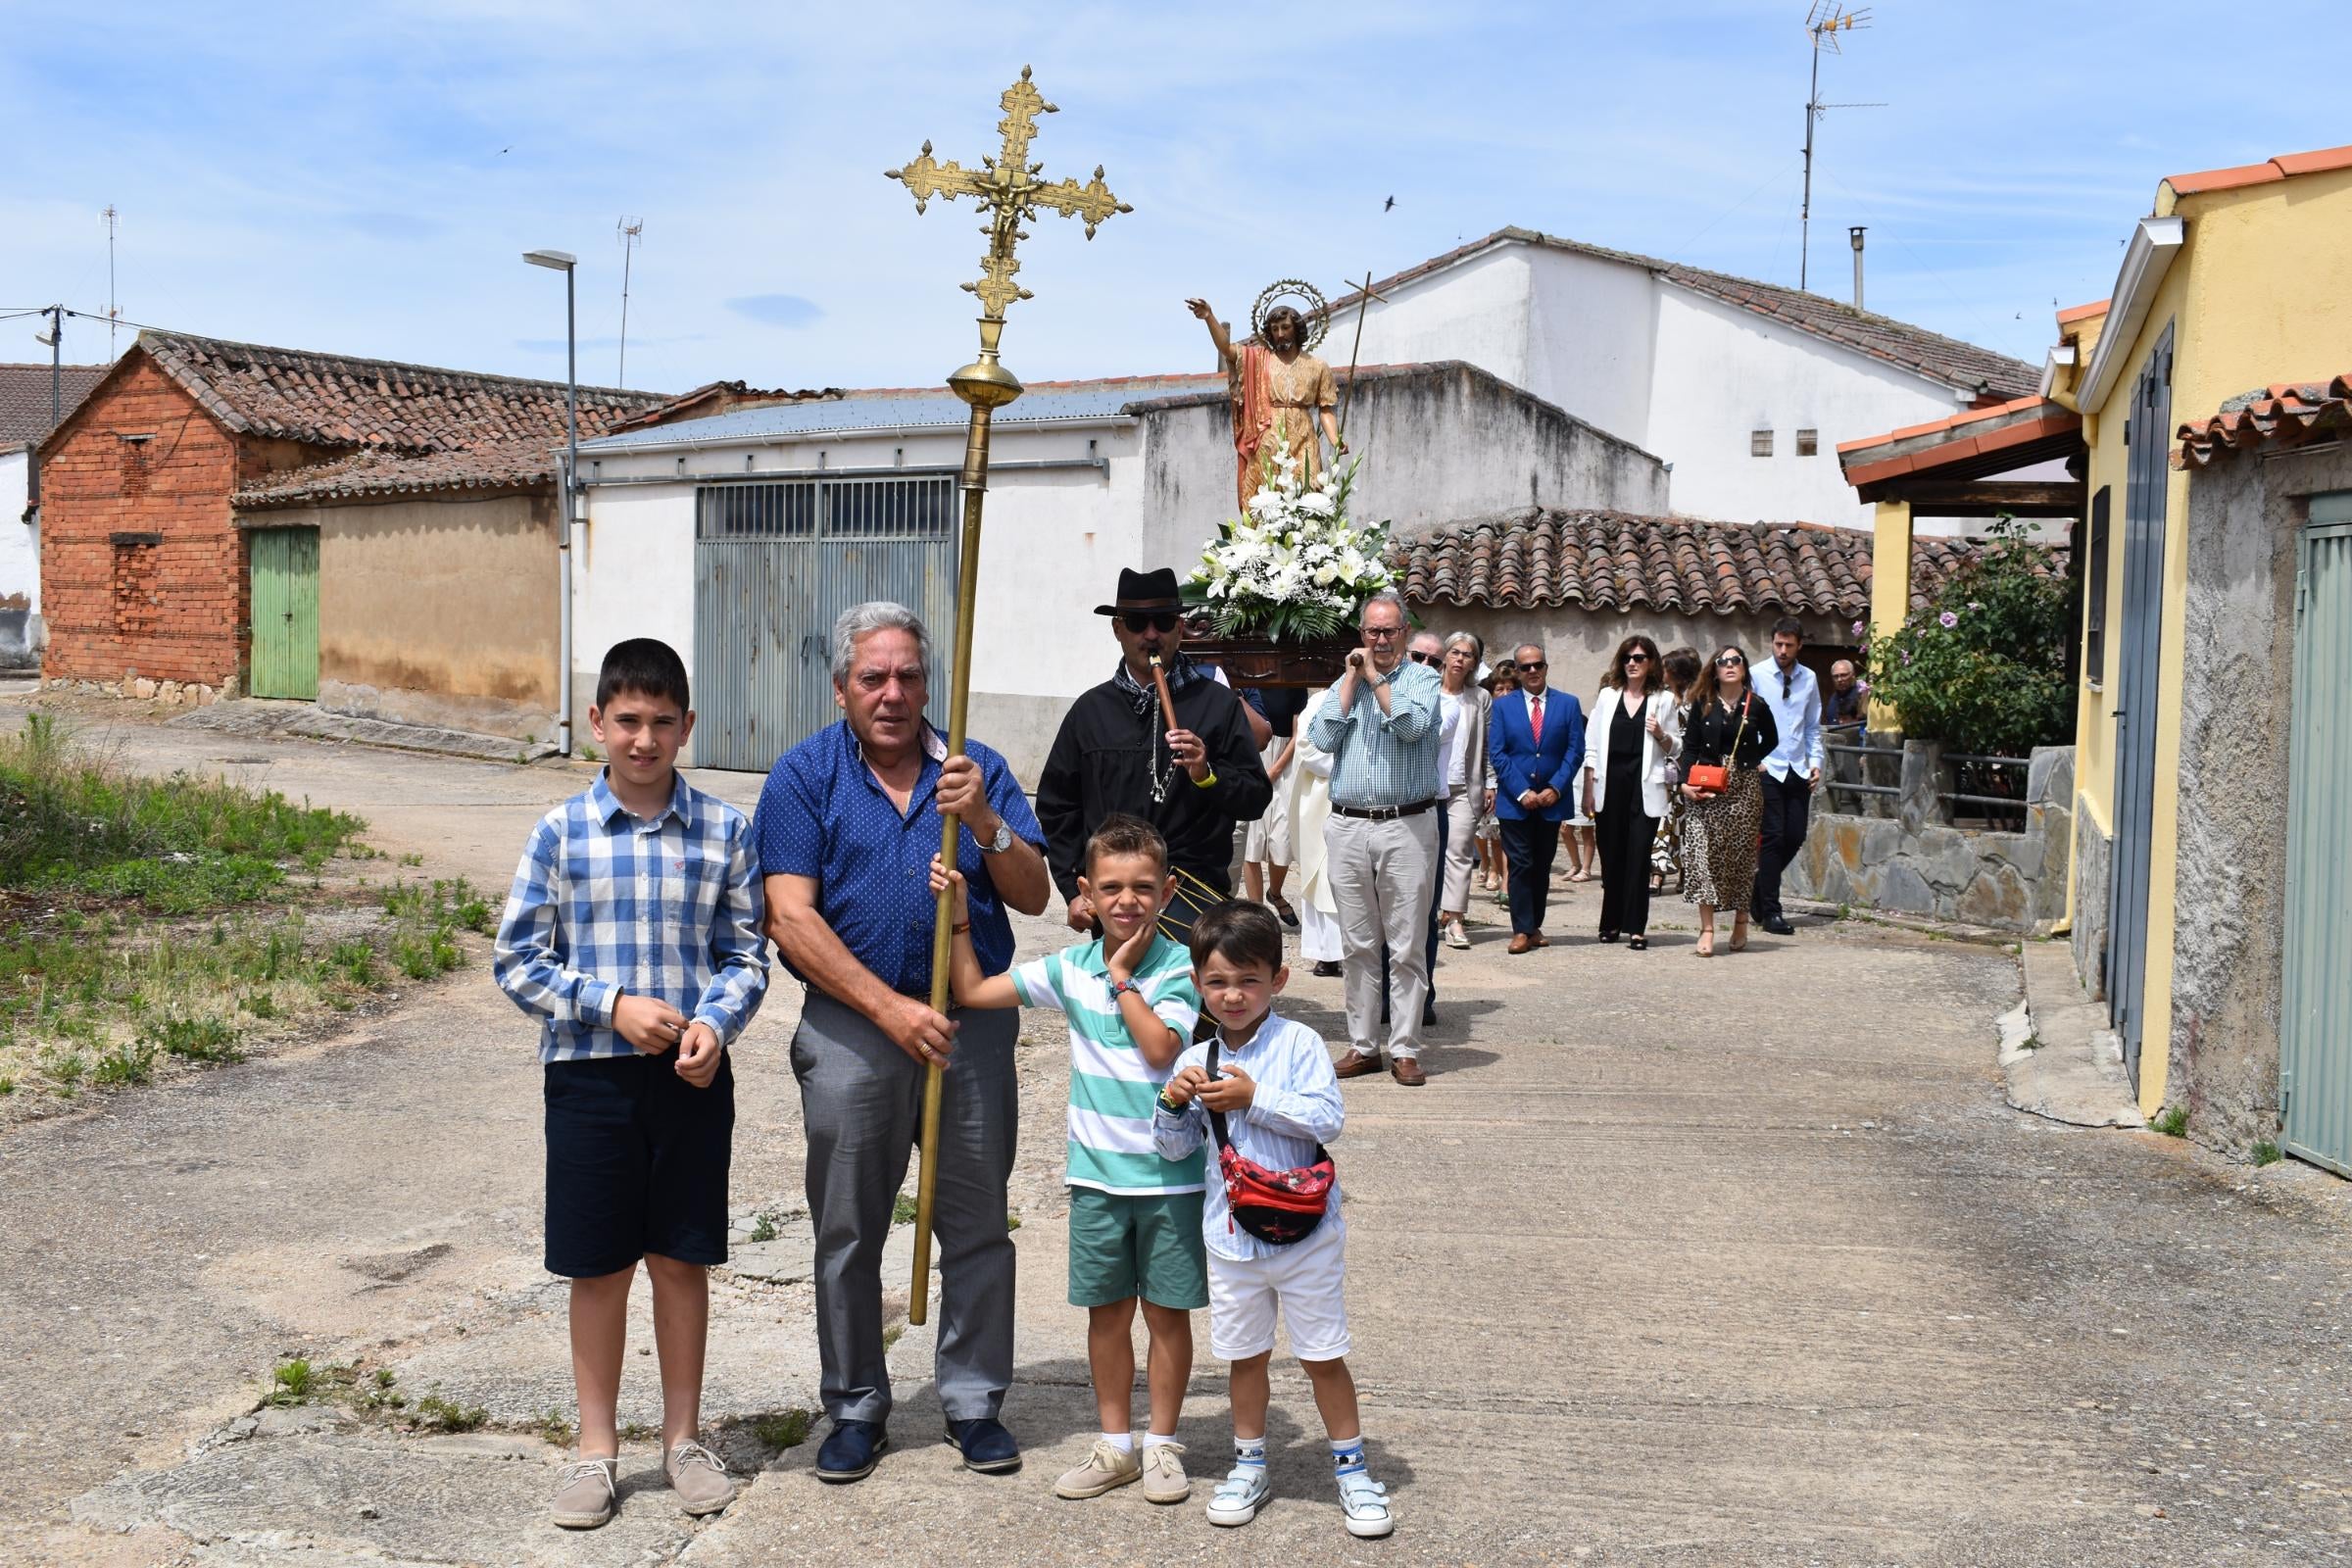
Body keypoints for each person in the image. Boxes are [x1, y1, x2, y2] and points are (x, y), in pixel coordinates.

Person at [757, 602, 1053, 1484]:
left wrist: (990, 823)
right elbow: (789, 916)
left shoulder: (977, 767)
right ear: (842, 686)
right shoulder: (804, 776)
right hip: (854, 1030)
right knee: (848, 1229)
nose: (892, 694)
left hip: (971, 1028)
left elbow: (1033, 895)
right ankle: (854, 1406)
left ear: (931, 681)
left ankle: (972, 1402)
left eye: (908, 676)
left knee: (974, 1223)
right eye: (872, 678)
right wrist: (890, 1010)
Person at [492, 638, 770, 1532]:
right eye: (627, 722)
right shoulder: (560, 833)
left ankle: (682, 1439)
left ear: (687, 726)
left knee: (681, 1258)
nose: (643, 740)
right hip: (589, 1082)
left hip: (692, 1078)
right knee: (600, 1263)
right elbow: (518, 961)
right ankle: (596, 1449)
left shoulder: (726, 830)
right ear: (597, 724)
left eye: (660, 722)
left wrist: (712, 1025)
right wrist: (608, 1005)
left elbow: (745, 954)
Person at [932, 816, 1206, 1507]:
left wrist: (1120, 979)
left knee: (1167, 1314)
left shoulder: (1178, 966)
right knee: (1107, 1314)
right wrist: (962, 918)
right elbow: (972, 991)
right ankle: (1116, 1444)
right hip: (1096, 1180)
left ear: (1168, 892)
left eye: (1144, 887)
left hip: (1169, 1177)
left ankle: (1163, 1443)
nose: (1127, 901)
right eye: (1110, 887)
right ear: (1084, 892)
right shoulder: (1068, 969)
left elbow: (1159, 1050)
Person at [1151, 903, 1393, 1541]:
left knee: (1322, 1356)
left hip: (1307, 1235)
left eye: (1249, 980)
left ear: (1277, 981)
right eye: (1219, 981)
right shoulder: (1196, 1056)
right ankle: (1249, 1463)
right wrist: (1173, 1104)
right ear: (1198, 983)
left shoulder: (1300, 1043)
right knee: (1245, 1357)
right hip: (1232, 1239)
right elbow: (1174, 1150)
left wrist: (1254, 1099)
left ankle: (1353, 1471)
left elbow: (1327, 1119)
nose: (1234, 995)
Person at [1039, 567, 1272, 939]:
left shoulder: (1217, 704)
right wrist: (1073, 889)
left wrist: (1207, 774)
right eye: (1136, 623)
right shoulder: (1090, 711)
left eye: (1162, 622)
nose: (1151, 634)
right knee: (1119, 994)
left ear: (1179, 628)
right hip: (1116, 902)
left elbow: (1255, 798)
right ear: (1118, 630)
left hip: (1192, 899)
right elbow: (1057, 807)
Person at [1308, 591, 1444, 1087]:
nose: (1380, 640)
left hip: (1406, 824)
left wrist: (1374, 678)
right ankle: (1364, 1045)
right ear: (1360, 634)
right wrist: (1350, 678)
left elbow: (1410, 727)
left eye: (1389, 631)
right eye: (1372, 632)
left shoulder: (1425, 679)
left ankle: (1405, 1047)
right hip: (1348, 824)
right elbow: (1322, 739)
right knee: (1358, 942)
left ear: (1404, 634)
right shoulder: (1345, 682)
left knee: (1406, 944)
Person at [1186, 296, 1345, 512]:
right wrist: (1209, 317)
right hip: (1269, 435)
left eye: (1285, 327)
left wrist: (1335, 440)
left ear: (1296, 329)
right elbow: (1227, 349)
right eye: (1275, 328)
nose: (1280, 333)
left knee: (1310, 493)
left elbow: (1326, 408)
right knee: (1266, 497)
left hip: (1304, 436)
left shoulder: (1318, 366)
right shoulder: (1260, 360)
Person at [1679, 644, 1781, 958]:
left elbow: (1773, 739)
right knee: (1701, 853)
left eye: (1736, 660)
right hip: (1707, 786)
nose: (1730, 665)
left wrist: (1749, 760)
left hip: (1744, 789)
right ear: (1715, 669)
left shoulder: (1757, 705)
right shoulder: (1702, 703)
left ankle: (1740, 921)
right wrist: (1685, 784)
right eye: (1723, 661)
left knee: (1740, 858)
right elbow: (1690, 746)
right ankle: (1707, 928)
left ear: (1744, 668)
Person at [1580, 635, 1681, 952]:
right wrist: (1587, 791)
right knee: (1611, 859)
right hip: (1610, 787)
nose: (1633, 663)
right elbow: (1592, 746)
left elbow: (1677, 747)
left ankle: (1636, 927)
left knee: (1638, 858)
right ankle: (1610, 923)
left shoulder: (1663, 700)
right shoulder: (1608, 697)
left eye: (1639, 658)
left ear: (1651, 662)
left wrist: (1661, 734)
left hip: (1644, 787)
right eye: (1628, 658)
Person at [1487, 642, 1584, 955]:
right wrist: (1522, 791)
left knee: (1542, 865)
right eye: (1525, 667)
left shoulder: (1568, 704)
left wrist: (1555, 787)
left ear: (1545, 667)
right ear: (1517, 671)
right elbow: (1498, 753)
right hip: (1516, 802)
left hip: (1552, 800)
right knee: (1521, 863)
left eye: (1537, 665)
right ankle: (1521, 929)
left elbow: (1575, 750)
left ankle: (1535, 925)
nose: (1532, 671)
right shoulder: (1503, 706)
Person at [1751, 616, 1824, 938]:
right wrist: (1754, 761)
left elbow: (1812, 726)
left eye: (1788, 645)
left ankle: (1758, 889)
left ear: (1799, 646)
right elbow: (1747, 722)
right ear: (1772, 642)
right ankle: (1771, 910)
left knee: (1795, 835)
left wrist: (1816, 761)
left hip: (1798, 767)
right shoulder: (1756, 674)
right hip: (1769, 766)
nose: (1782, 650)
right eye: (1778, 644)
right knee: (1774, 836)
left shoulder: (1809, 679)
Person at [1435, 632, 1491, 951]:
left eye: (1467, 654)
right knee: (1428, 855)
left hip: (1463, 787)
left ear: (1474, 663)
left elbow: (1486, 747)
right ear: (1445, 655)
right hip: (1428, 787)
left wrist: (1490, 783)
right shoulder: (1428, 690)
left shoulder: (1479, 698)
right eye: (1454, 652)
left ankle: (1454, 918)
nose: (1459, 658)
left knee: (1458, 853)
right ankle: (1428, 915)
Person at [1285, 683, 1345, 978]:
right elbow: (1307, 747)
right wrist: (1351, 764)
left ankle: (1355, 951)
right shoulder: (1321, 701)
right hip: (1321, 796)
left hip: (1365, 799)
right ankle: (1326, 953)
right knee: (1320, 873)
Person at [1240, 683, 1311, 925]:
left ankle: (1276, 893)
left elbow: (1298, 734)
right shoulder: (1245, 685)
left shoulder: (1294, 685)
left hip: (1285, 762)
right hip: (1252, 755)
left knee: (1282, 841)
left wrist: (1276, 769)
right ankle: (1256, 914)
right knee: (1251, 842)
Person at [1651, 647, 1702, 896]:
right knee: (1663, 819)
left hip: (1688, 767)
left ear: (1676, 672)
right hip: (1664, 764)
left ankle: (1685, 873)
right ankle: (1657, 873)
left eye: (1665, 668)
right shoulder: (1660, 697)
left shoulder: (1696, 699)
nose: (1661, 672)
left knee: (1685, 822)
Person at [1476, 666, 1517, 898]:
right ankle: (1489, 865)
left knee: (1506, 835)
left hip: (1513, 783)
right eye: (1499, 689)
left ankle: (1503, 882)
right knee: (1488, 832)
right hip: (1487, 783)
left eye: (1510, 689)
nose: (1504, 693)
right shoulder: (1485, 718)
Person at [1823, 658, 1870, 729]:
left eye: (1843, 675)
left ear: (1853, 674)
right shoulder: (1833, 699)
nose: (1839, 679)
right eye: (1836, 676)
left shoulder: (1862, 694)